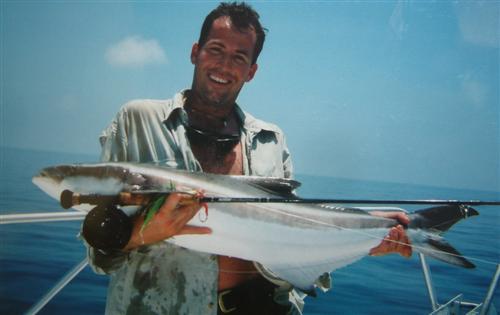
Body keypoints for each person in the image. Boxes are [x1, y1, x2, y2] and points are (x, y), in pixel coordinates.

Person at [89, 2, 412, 314]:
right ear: (194, 52)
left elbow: (296, 228)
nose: (225, 65)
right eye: (215, 49)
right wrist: (144, 233)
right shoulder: (137, 119)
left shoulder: (271, 140)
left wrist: (366, 232)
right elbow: (98, 253)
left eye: (239, 57)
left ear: (251, 71)